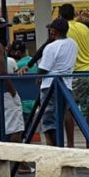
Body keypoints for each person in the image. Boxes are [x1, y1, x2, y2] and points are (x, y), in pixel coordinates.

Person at [25, 4, 89, 148]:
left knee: (67, 107)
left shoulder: (64, 32)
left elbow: (44, 48)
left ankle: (71, 145)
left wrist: (29, 64)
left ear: (60, 16)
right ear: (74, 14)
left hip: (78, 73)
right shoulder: (84, 26)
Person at [36, 18, 78, 146]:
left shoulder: (51, 47)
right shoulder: (73, 43)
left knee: (48, 121)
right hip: (66, 85)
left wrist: (38, 77)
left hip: (50, 86)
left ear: (53, 31)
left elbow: (43, 68)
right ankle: (66, 145)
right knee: (61, 116)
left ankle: (55, 148)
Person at [9, 41, 38, 123]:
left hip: (24, 103)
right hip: (34, 100)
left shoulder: (19, 64)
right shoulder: (32, 61)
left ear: (17, 52)